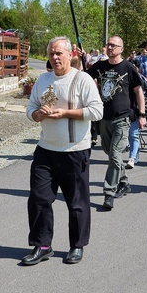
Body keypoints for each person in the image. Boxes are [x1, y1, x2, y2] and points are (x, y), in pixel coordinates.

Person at [22, 37, 103, 266]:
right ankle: (42, 245)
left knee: (76, 202)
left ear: (70, 54)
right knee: (38, 198)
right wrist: (37, 114)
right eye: (51, 54)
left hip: (74, 150)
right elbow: (30, 109)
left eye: (59, 53)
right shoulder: (43, 80)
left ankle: (76, 245)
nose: (55, 58)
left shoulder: (82, 79)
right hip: (46, 149)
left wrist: (65, 113)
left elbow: (97, 111)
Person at [87, 36, 146, 210]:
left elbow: (138, 91)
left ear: (121, 48)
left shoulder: (128, 67)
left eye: (113, 45)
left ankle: (109, 192)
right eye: (108, 45)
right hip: (103, 118)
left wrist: (142, 114)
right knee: (111, 153)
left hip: (122, 118)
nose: (110, 47)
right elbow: (85, 78)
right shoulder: (100, 66)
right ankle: (124, 182)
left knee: (114, 154)